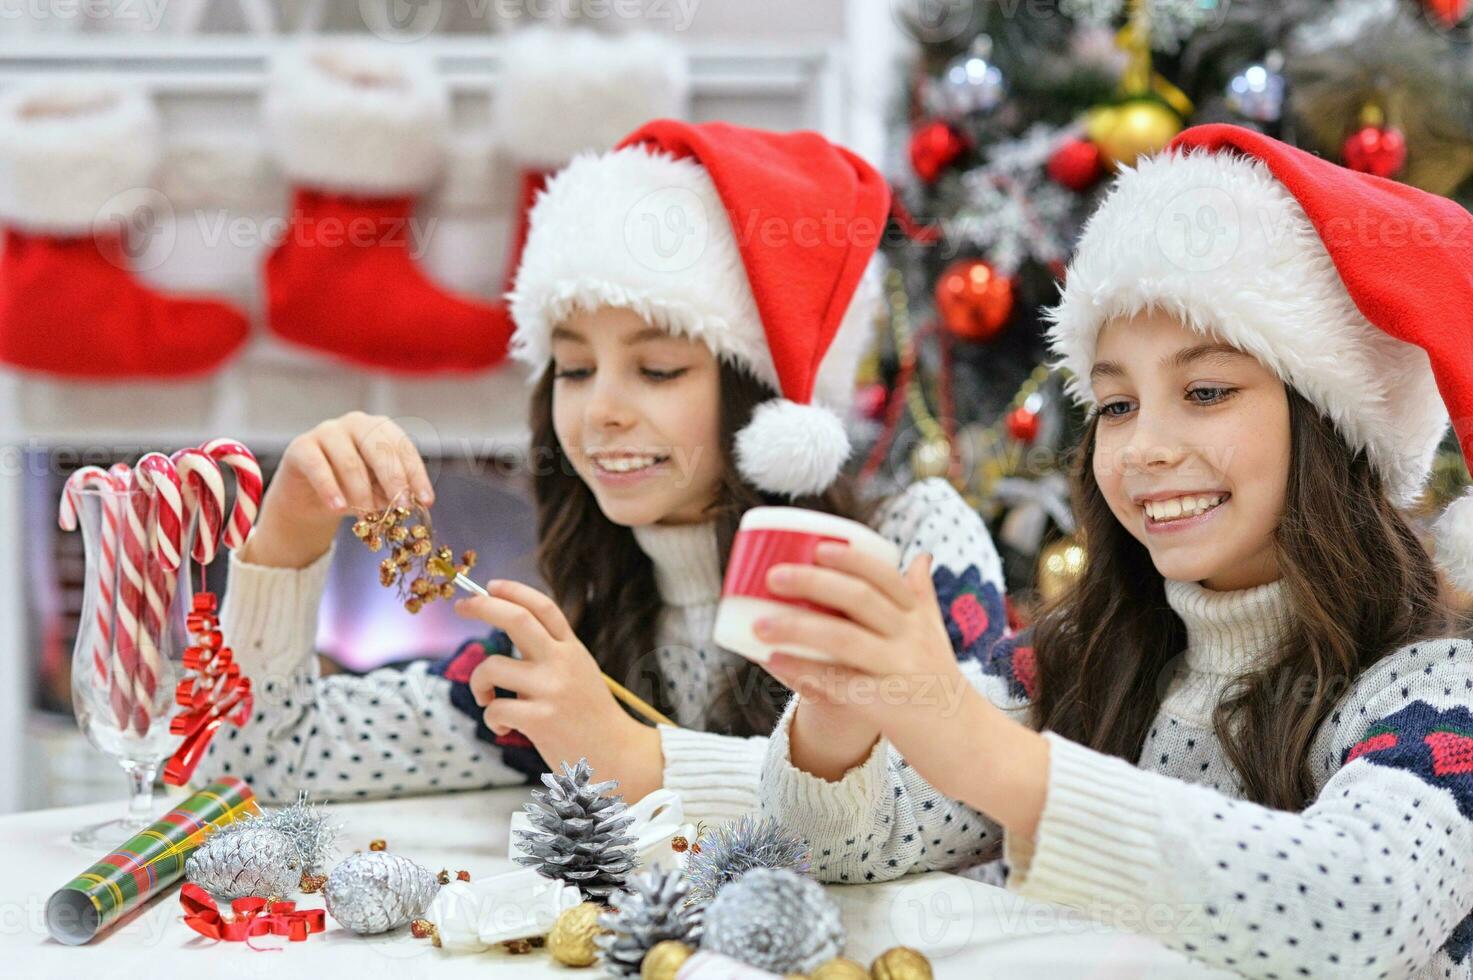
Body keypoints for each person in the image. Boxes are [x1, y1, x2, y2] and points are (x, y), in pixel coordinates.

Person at [757, 123, 1473, 978]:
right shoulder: (1076, 657)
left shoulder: (1434, 692)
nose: (1142, 449)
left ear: (1333, 425)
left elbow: (1355, 912)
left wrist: (995, 760)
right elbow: (838, 852)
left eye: (1204, 391)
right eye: (1116, 404)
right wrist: (839, 718)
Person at [200, 118, 1010, 825]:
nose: (599, 413)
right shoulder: (575, 643)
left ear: (764, 395)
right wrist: (287, 537)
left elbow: (956, 802)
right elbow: (264, 767)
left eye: (657, 370)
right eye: (575, 369)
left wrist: (629, 757)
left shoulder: (910, 548)